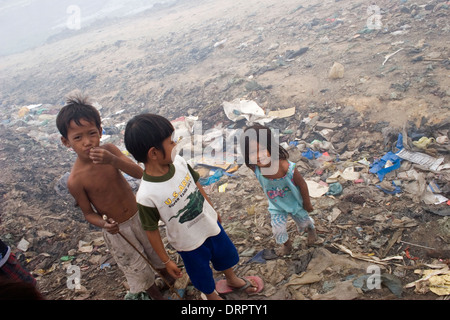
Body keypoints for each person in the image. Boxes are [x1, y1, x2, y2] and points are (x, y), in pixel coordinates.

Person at [124, 113, 263, 300]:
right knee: (201, 273)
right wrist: (166, 260)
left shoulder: (180, 163)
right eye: (171, 142)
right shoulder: (147, 195)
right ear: (154, 153)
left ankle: (231, 279)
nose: (176, 145)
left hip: (208, 223)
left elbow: (196, 183)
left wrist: (211, 208)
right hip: (188, 243)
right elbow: (151, 231)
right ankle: (211, 295)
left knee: (224, 254)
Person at [56, 94, 171, 300]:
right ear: (66, 142)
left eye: (92, 133)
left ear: (100, 131)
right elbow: (88, 213)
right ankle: (157, 296)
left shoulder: (109, 150)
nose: (87, 142)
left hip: (140, 216)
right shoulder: (75, 180)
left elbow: (139, 173)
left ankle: (174, 285)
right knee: (138, 270)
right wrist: (104, 224)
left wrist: (113, 161)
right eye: (78, 137)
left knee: (157, 255)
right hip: (118, 231)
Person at [241, 124, 318, 256]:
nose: (258, 156)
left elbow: (302, 184)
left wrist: (307, 203)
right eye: (253, 153)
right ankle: (287, 245)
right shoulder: (255, 168)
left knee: (304, 222)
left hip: (295, 203)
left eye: (262, 150)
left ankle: (311, 229)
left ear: (271, 147)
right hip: (276, 205)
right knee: (278, 230)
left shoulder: (285, 167)